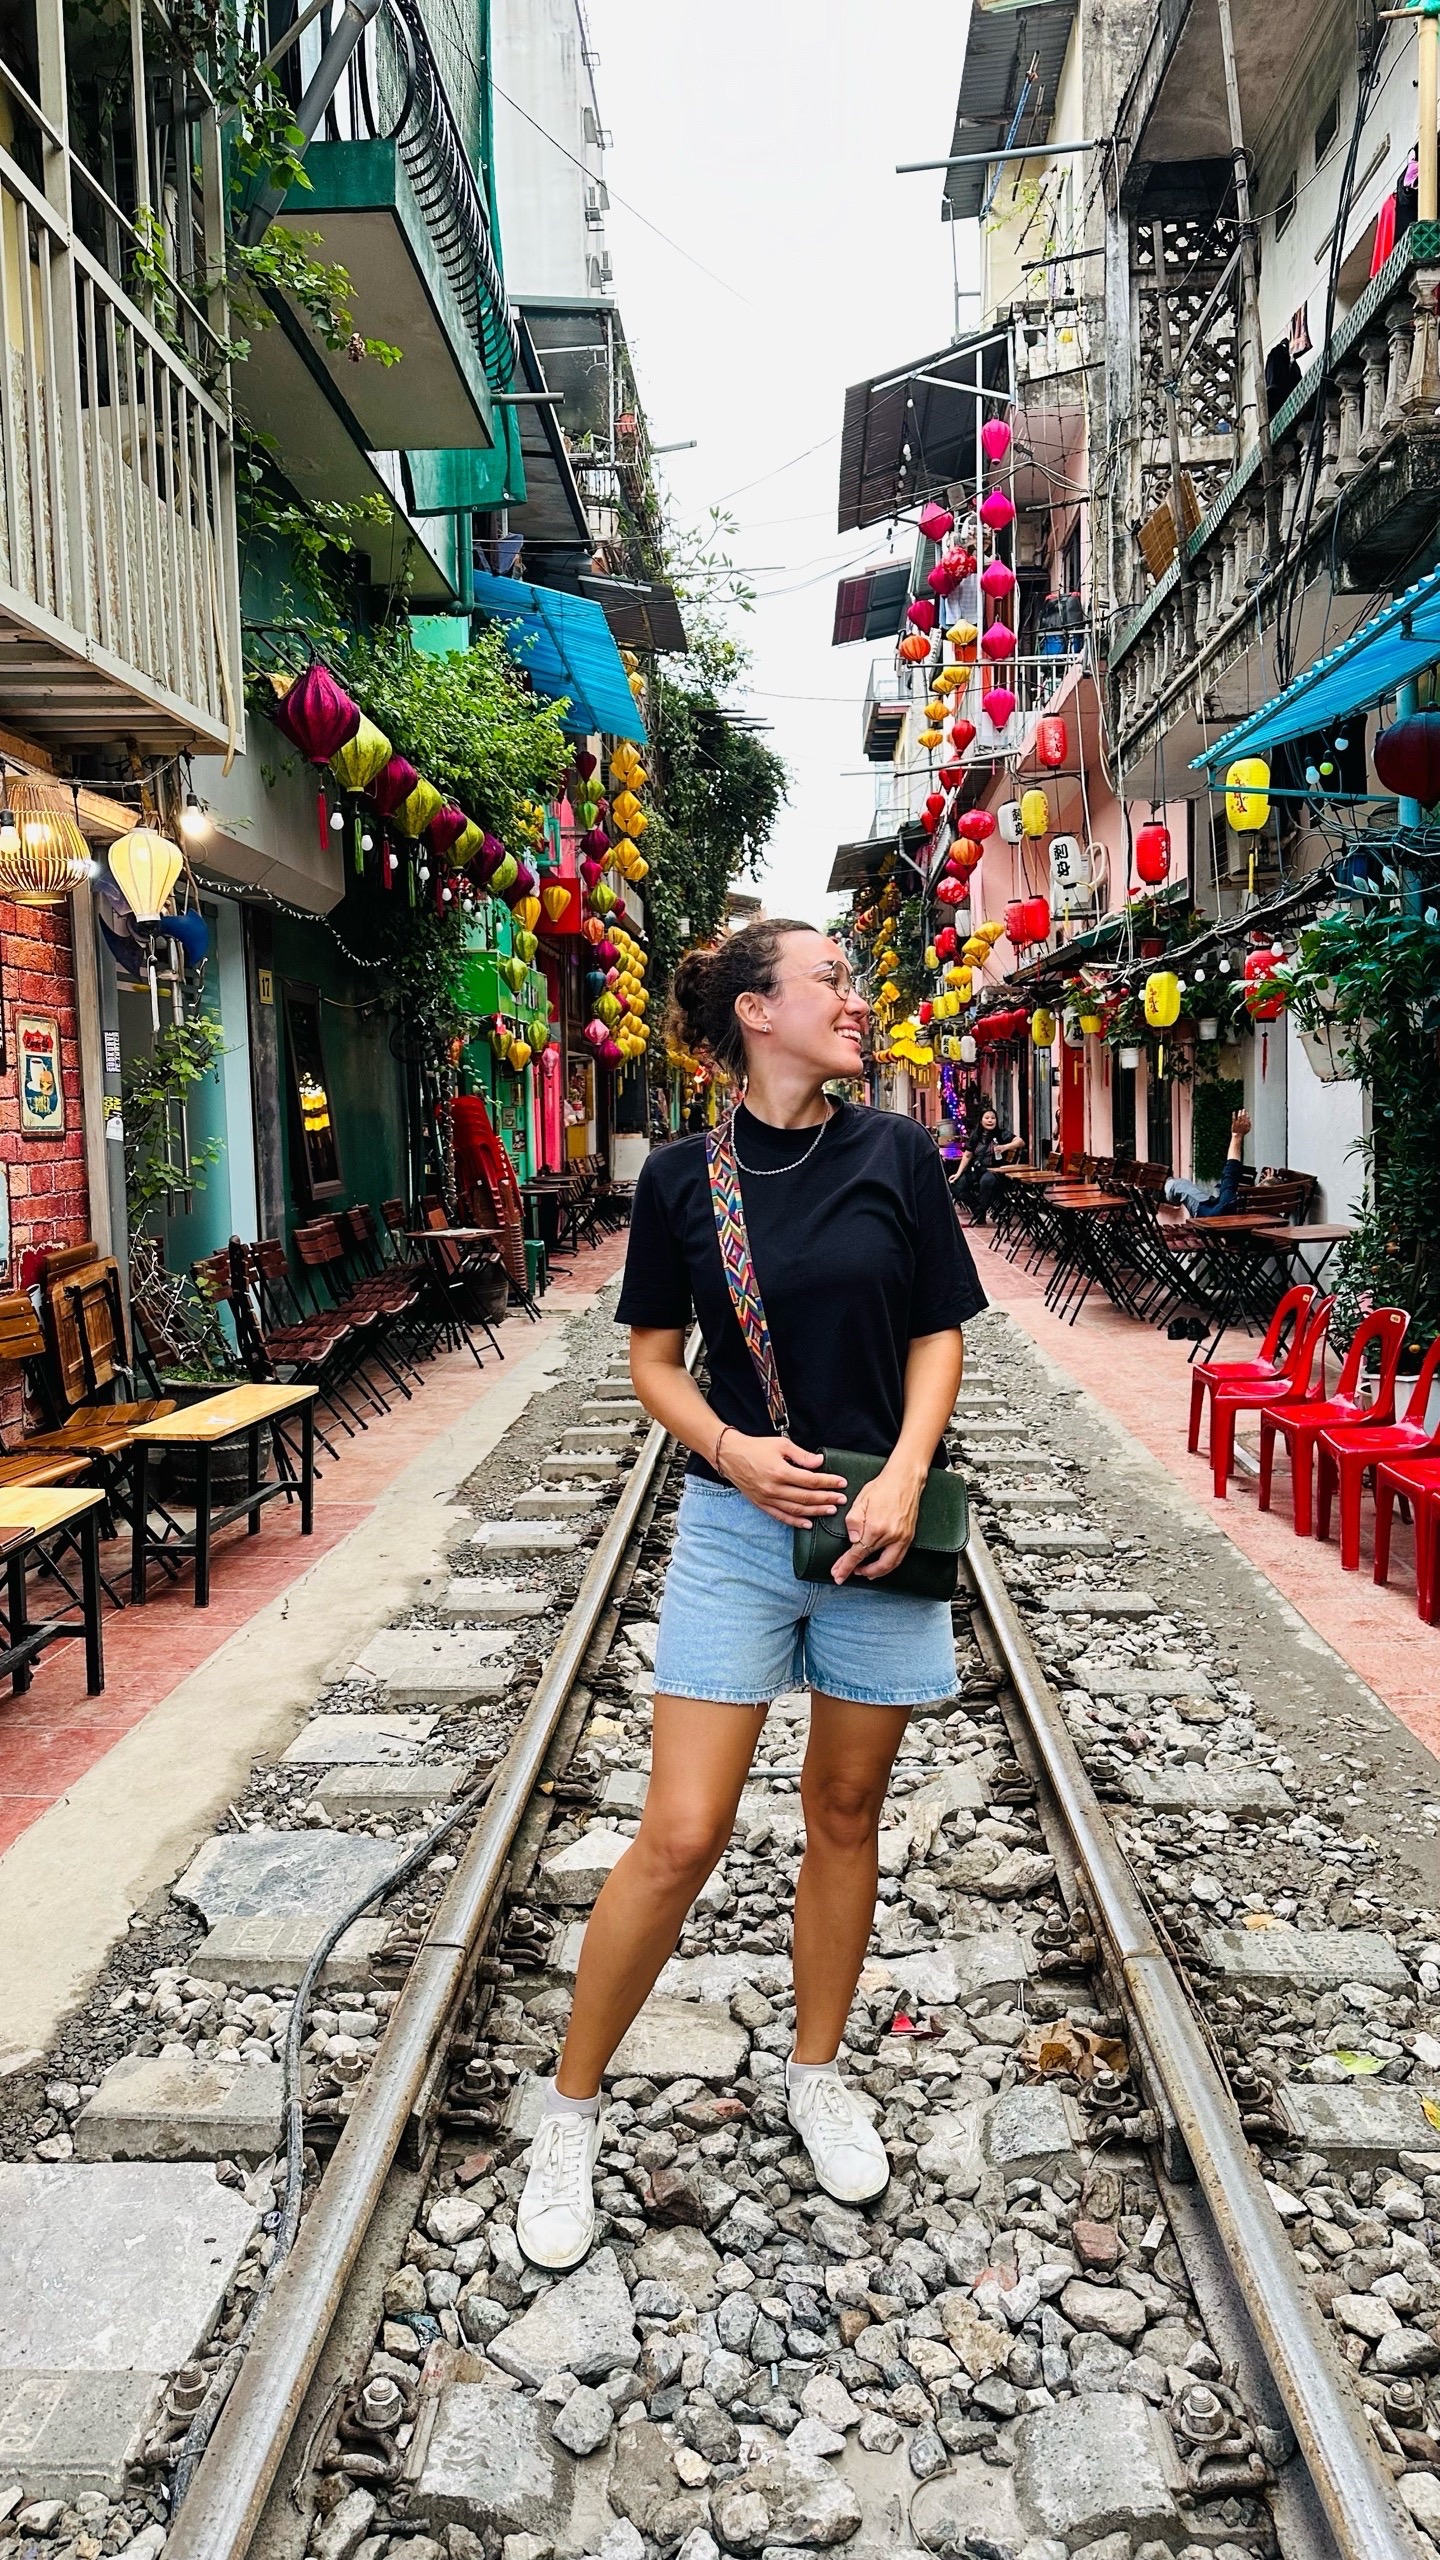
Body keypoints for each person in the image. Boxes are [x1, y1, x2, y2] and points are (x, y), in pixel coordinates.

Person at [515, 917, 987, 2269]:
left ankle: (815, 2073)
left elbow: (938, 1332)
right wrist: (727, 1448)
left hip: (881, 1524)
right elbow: (653, 1363)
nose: (857, 995)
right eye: (832, 977)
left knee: (844, 1810)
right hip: (736, 1526)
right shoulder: (683, 1179)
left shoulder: (896, 1152)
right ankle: (568, 2114)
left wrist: (906, 1473)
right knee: (680, 1832)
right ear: (757, 1012)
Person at [1164, 1110, 1272, 1217]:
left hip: (1207, 1215)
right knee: (1212, 1191)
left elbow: (1230, 1172)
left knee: (1178, 1185)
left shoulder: (1229, 1202)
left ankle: (1165, 1186)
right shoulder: (1270, 1214)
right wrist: (1265, 1185)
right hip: (1218, 1207)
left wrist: (1237, 1136)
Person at [949, 1105, 1024, 1225]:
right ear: (981, 1120)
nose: (990, 1120)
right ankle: (978, 1210)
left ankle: (980, 1213)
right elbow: (967, 1155)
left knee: (986, 1181)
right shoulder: (975, 1136)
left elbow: (1020, 1142)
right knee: (955, 1184)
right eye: (987, 1118)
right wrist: (958, 1173)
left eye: (993, 1118)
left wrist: (1005, 1147)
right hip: (977, 1170)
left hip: (995, 1171)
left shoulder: (1001, 1134)